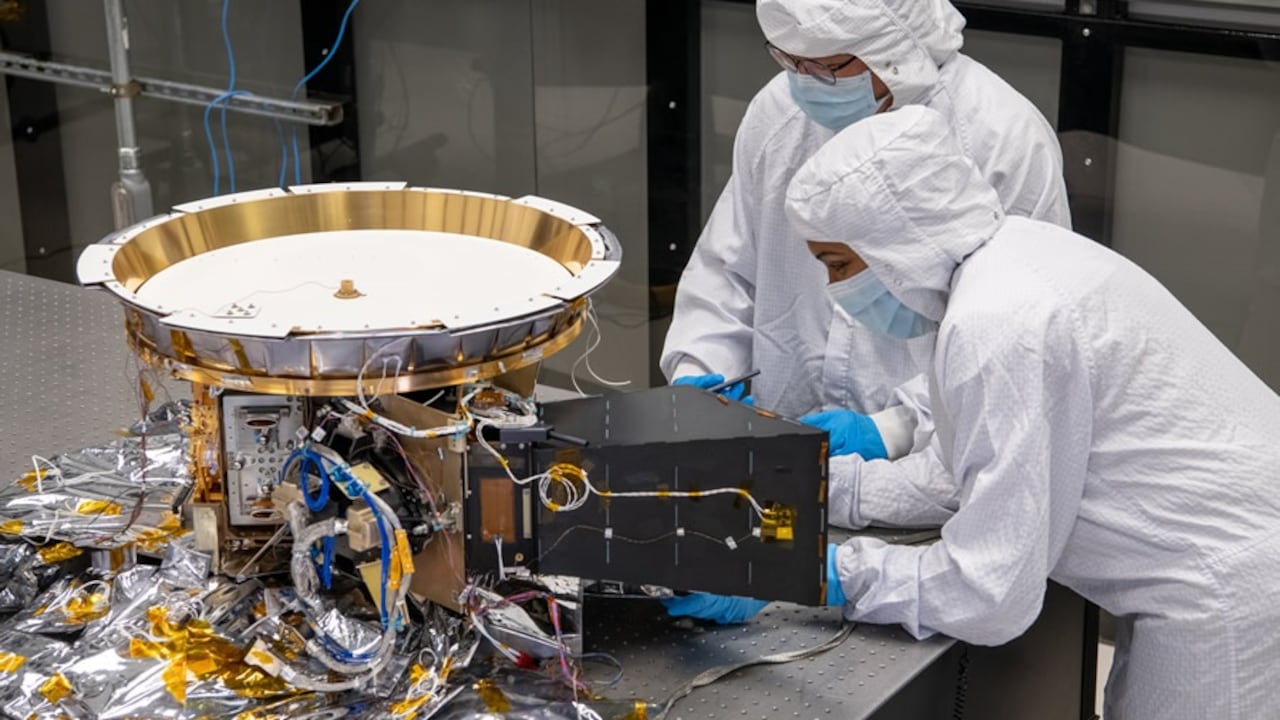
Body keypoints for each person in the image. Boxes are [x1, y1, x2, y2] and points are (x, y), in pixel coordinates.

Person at [776, 104, 1280, 719]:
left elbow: (988, 595)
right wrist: (817, 485)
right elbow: (959, 473)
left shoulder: (998, 320)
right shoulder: (1011, 259)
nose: (836, 290)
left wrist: (818, 571)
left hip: (1229, 594)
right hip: (1222, 566)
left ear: (897, 240)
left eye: (839, 264)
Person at [663, 0, 1070, 442]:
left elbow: (1019, 337)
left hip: (940, 453)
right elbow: (728, 267)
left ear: (894, 49)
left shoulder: (1001, 137)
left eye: (829, 67)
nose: (804, 82)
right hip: (779, 434)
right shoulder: (780, 112)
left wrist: (896, 429)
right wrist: (700, 369)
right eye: (790, 60)